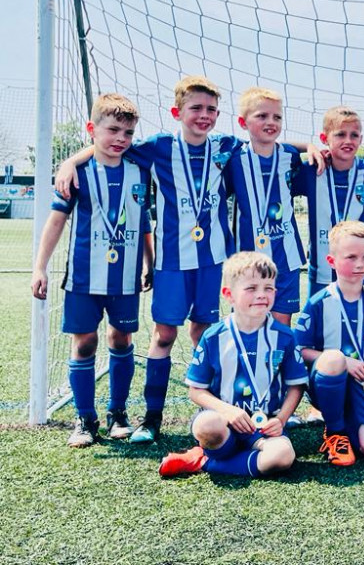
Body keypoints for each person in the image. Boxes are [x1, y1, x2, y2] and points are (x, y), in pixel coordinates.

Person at [56, 76, 241, 443]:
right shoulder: (157, 147)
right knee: (164, 334)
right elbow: (109, 146)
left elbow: (268, 143)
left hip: (212, 261)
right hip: (171, 262)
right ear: (177, 112)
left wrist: (315, 150)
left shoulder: (226, 145)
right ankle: (152, 417)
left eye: (211, 110)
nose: (204, 116)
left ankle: (213, 410)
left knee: (206, 333)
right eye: (196, 108)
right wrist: (70, 162)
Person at [31, 94, 153, 447]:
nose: (121, 138)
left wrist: (149, 261)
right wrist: (40, 267)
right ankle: (85, 418)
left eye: (128, 132)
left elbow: (143, 220)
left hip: (125, 277)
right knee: (84, 343)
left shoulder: (139, 170)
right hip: (84, 277)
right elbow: (55, 223)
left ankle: (118, 412)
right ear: (92, 129)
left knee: (121, 338)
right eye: (113, 129)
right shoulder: (78, 174)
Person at [158, 252, 308, 477]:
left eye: (268, 288)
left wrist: (281, 419)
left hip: (264, 427)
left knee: (283, 455)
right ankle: (220, 454)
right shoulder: (213, 336)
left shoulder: (285, 336)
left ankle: (202, 462)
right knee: (205, 425)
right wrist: (227, 411)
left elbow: (296, 386)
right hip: (223, 424)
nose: (261, 295)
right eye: (251, 288)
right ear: (229, 294)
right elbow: (196, 390)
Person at [294, 221, 364, 466]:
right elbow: (299, 350)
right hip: (327, 380)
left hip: (362, 387)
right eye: (351, 257)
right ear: (331, 261)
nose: (360, 264)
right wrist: (344, 361)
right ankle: (336, 431)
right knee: (334, 358)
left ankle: (352, 424)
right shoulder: (319, 303)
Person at [227, 87, 309, 325]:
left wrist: (308, 146)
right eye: (262, 116)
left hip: (287, 256)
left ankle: (275, 363)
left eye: (277, 117)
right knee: (248, 321)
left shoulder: (290, 156)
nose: (271, 122)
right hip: (247, 257)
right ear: (243, 122)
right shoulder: (232, 157)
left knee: (281, 324)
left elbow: (291, 148)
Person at [296, 106, 364, 296]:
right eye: (340, 134)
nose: (348, 140)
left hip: (358, 270)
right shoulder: (311, 171)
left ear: (361, 139)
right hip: (321, 271)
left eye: (354, 135)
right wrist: (306, 146)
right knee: (322, 322)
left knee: (357, 321)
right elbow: (272, 150)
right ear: (324, 138)